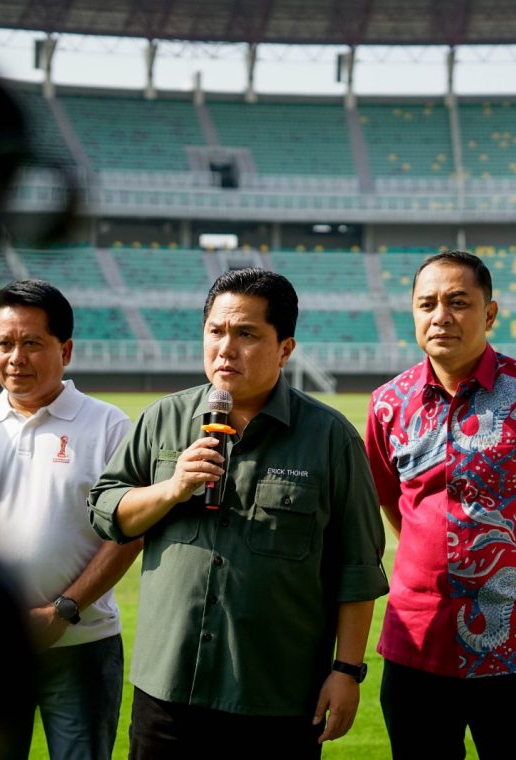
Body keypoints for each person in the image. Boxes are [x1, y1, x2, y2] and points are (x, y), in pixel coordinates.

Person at [88, 267, 388, 759]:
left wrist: (346, 670)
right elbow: (105, 511)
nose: (226, 348)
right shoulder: (162, 419)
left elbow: (357, 567)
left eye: (247, 334)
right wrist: (172, 488)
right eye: (216, 331)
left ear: (285, 348)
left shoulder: (330, 438)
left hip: (277, 698)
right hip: (167, 693)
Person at [365, 250, 516, 760]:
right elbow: (392, 502)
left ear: (490, 313)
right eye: (427, 304)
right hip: (415, 642)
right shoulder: (387, 403)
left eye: (458, 302)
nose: (441, 315)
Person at [0, 279, 142, 760]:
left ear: (66, 350)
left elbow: (130, 532)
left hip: (81, 643)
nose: (16, 358)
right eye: (4, 344)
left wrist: (63, 610)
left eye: (32, 343)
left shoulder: (108, 425)